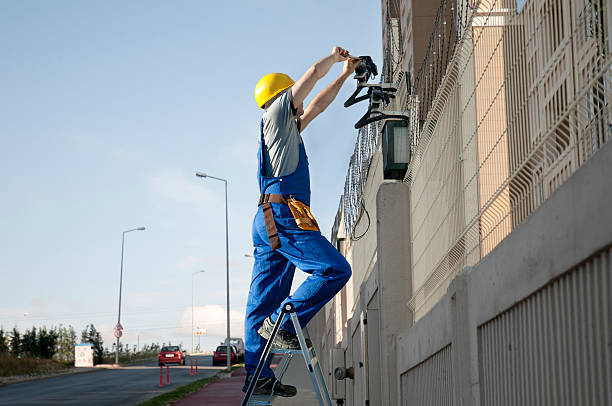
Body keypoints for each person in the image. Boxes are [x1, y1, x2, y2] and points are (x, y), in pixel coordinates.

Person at [243, 47, 360, 398]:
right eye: (292, 95)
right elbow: (311, 75)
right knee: (334, 270)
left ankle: (257, 374)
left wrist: (344, 75)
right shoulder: (275, 115)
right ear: (281, 97)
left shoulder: (287, 130)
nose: (300, 103)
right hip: (282, 216)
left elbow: (318, 105)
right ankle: (281, 324)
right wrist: (334, 59)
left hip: (268, 218)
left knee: (262, 298)